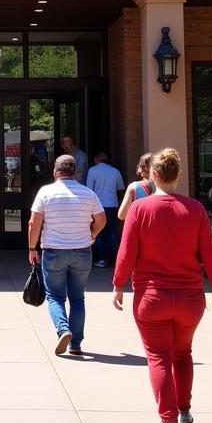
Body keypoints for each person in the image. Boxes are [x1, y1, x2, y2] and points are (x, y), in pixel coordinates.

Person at [113, 147, 212, 423]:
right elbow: (210, 254)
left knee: (158, 357)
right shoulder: (196, 209)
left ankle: (168, 418)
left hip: (151, 297)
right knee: (183, 353)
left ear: (153, 176)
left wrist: (118, 284)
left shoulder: (140, 208)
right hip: (190, 298)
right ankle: (184, 410)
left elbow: (127, 252)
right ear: (178, 175)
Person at [28, 154, 106, 355]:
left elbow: (34, 223)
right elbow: (102, 219)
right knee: (78, 298)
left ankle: (63, 329)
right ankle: (76, 344)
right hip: (82, 251)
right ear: (75, 172)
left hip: (53, 251)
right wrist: (93, 233)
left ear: (55, 171)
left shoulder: (46, 192)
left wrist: (32, 248)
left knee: (55, 297)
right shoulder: (88, 194)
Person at [85, 151, 124, 267]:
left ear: (96, 159)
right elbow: (121, 188)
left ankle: (102, 259)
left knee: (99, 232)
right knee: (113, 232)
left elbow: (89, 189)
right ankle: (115, 259)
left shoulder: (93, 170)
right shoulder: (115, 171)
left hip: (98, 205)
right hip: (112, 204)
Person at [117, 152, 155, 223]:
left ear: (140, 168)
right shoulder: (162, 186)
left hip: (141, 229)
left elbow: (121, 215)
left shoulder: (133, 187)